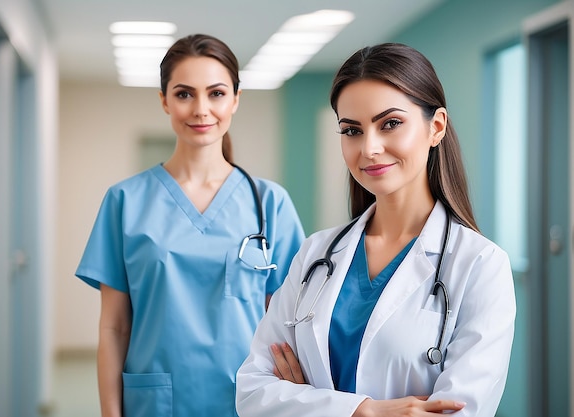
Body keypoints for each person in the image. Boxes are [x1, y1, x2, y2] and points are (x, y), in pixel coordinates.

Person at [236, 43, 516, 417]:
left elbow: (457, 412)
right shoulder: (316, 254)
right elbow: (253, 391)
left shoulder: (480, 265)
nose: (368, 148)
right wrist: (363, 411)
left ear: (436, 127)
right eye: (352, 130)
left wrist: (309, 403)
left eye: (390, 124)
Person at [75, 34, 305, 417]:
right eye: (184, 94)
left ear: (235, 99)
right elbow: (113, 328)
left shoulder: (270, 203)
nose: (201, 109)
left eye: (216, 93)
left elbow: (288, 326)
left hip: (248, 398)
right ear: (164, 99)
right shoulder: (125, 201)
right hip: (157, 400)